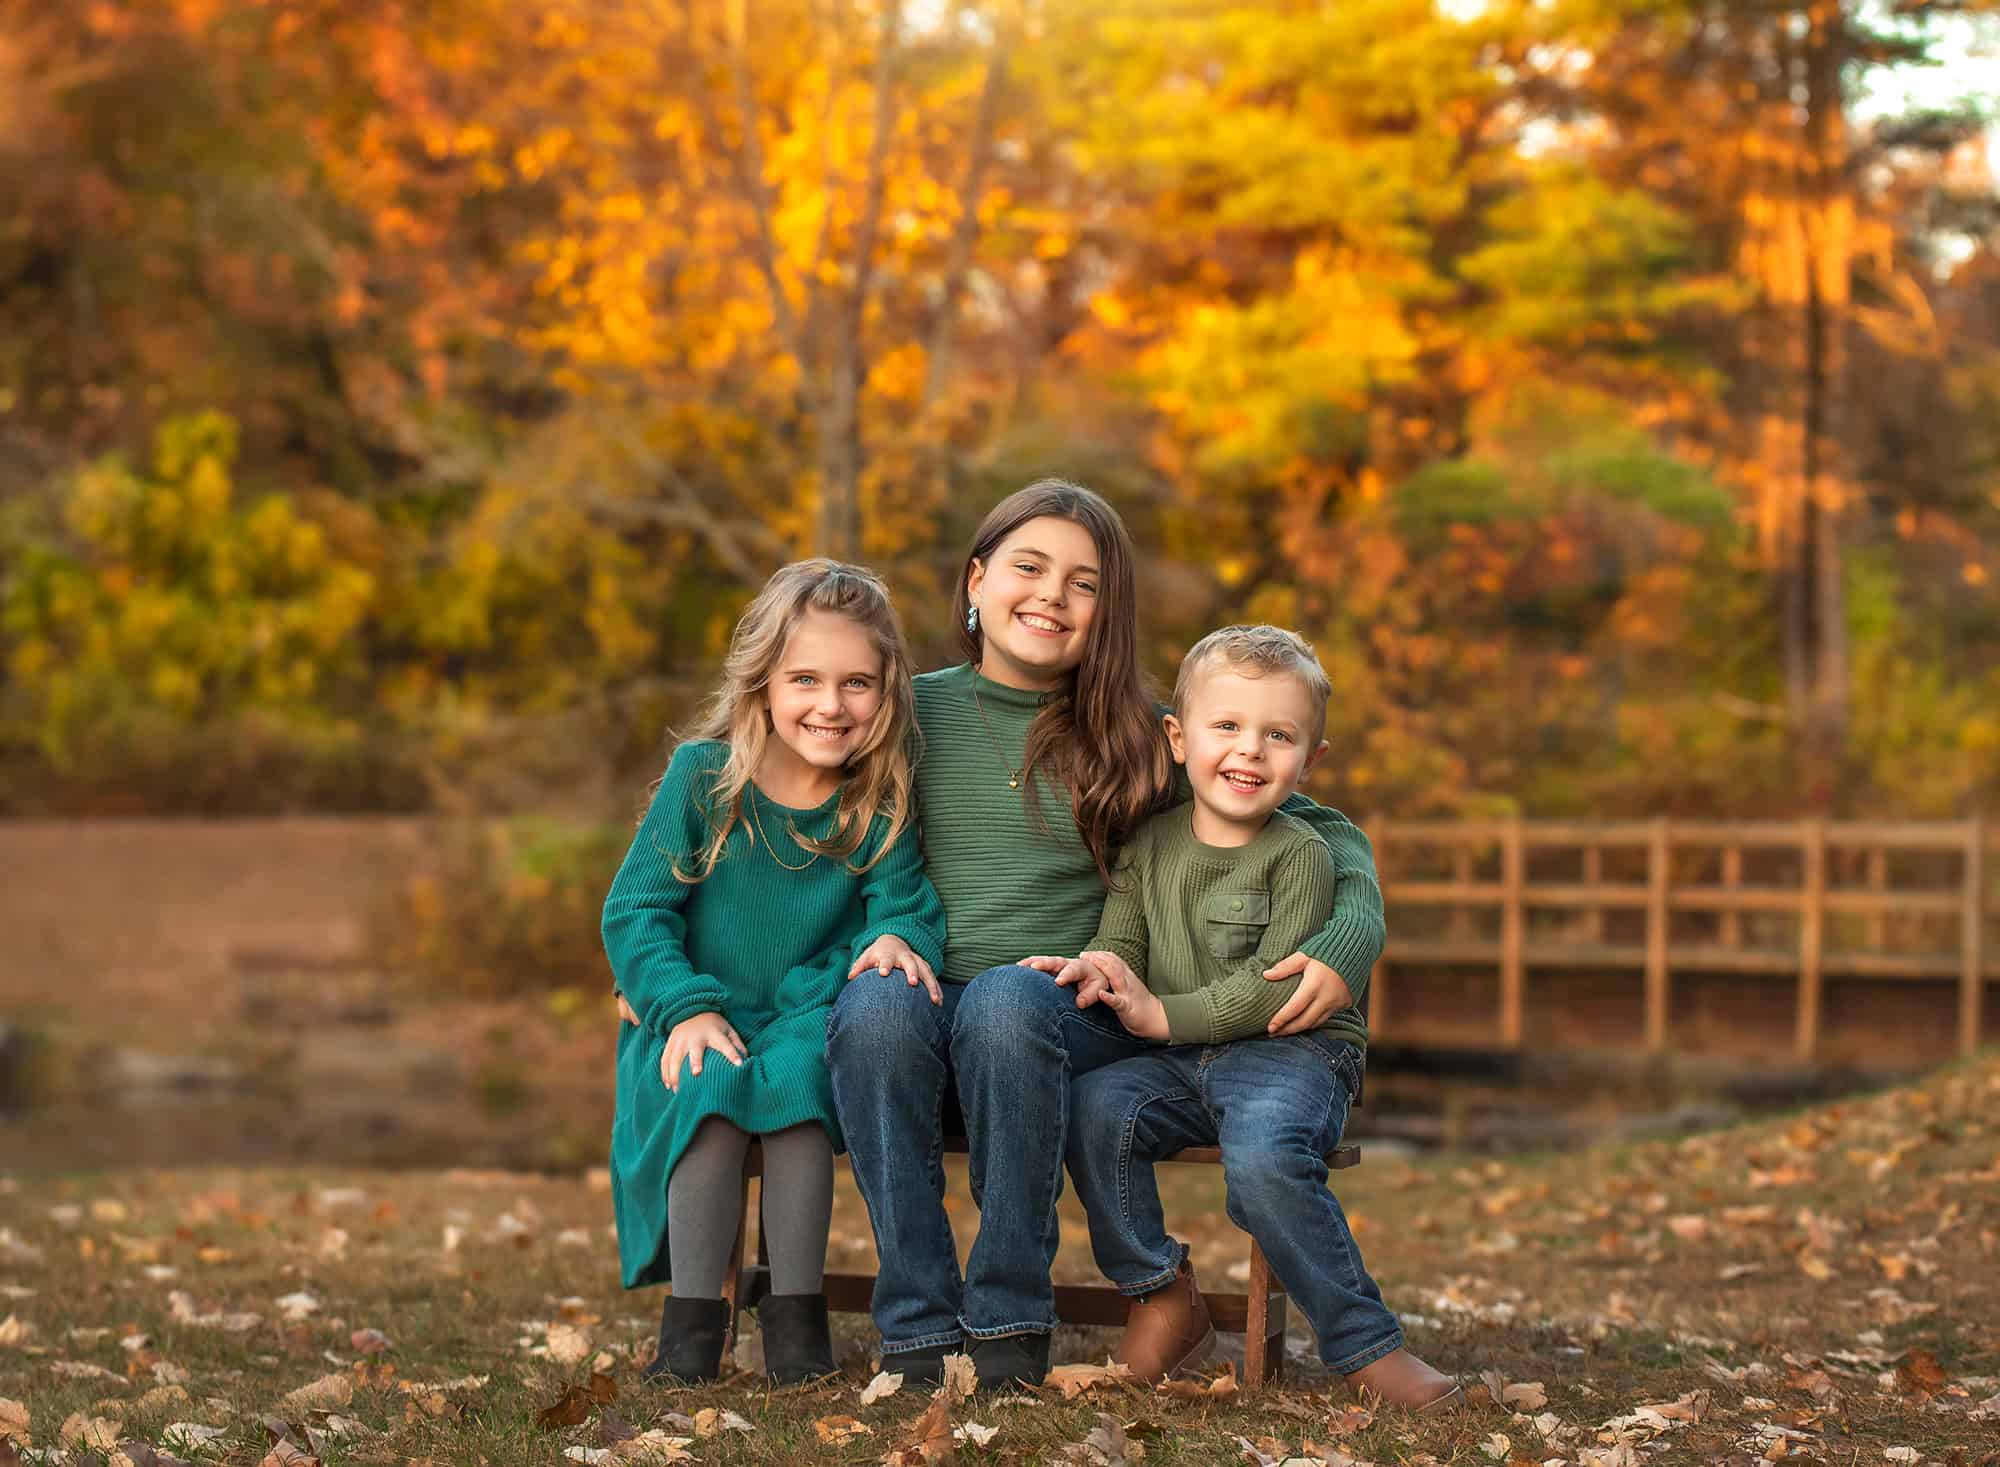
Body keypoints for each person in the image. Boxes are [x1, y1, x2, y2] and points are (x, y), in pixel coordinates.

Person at [825, 481, 1383, 1392]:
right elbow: (788, 803)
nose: (1051, 594)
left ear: (1106, 611)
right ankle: (918, 1324)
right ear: (977, 579)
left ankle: (1008, 1316)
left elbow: (1313, 823)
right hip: (925, 1021)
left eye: (1083, 583)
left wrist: (1352, 929)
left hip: (1066, 1016)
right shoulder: (903, 713)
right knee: (876, 1004)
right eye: (1029, 567)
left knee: (1008, 996)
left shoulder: (1135, 730)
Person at [1027, 625, 1462, 1411]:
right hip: (1180, 1055)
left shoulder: (1302, 853)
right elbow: (1122, 940)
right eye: (1226, 726)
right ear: (1178, 737)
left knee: (1263, 1156)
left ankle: (1366, 1344)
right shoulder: (1148, 843)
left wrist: (1161, 1013)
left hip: (1291, 1050)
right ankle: (1162, 1290)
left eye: (1278, 735)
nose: (1249, 751)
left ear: (1311, 761)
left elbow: (1273, 989)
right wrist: (1096, 967)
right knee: (1093, 1110)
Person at [603, 560, 945, 1387]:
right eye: (806, 679)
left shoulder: (878, 800)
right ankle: (691, 1329)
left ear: (887, 692)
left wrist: (900, 937)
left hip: (804, 1011)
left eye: (856, 682)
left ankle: (796, 1323)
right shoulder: (705, 779)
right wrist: (681, 1005)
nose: (831, 704)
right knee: (711, 1091)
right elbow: (636, 911)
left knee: (795, 1093)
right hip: (696, 1008)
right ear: (762, 683)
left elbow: (903, 905)